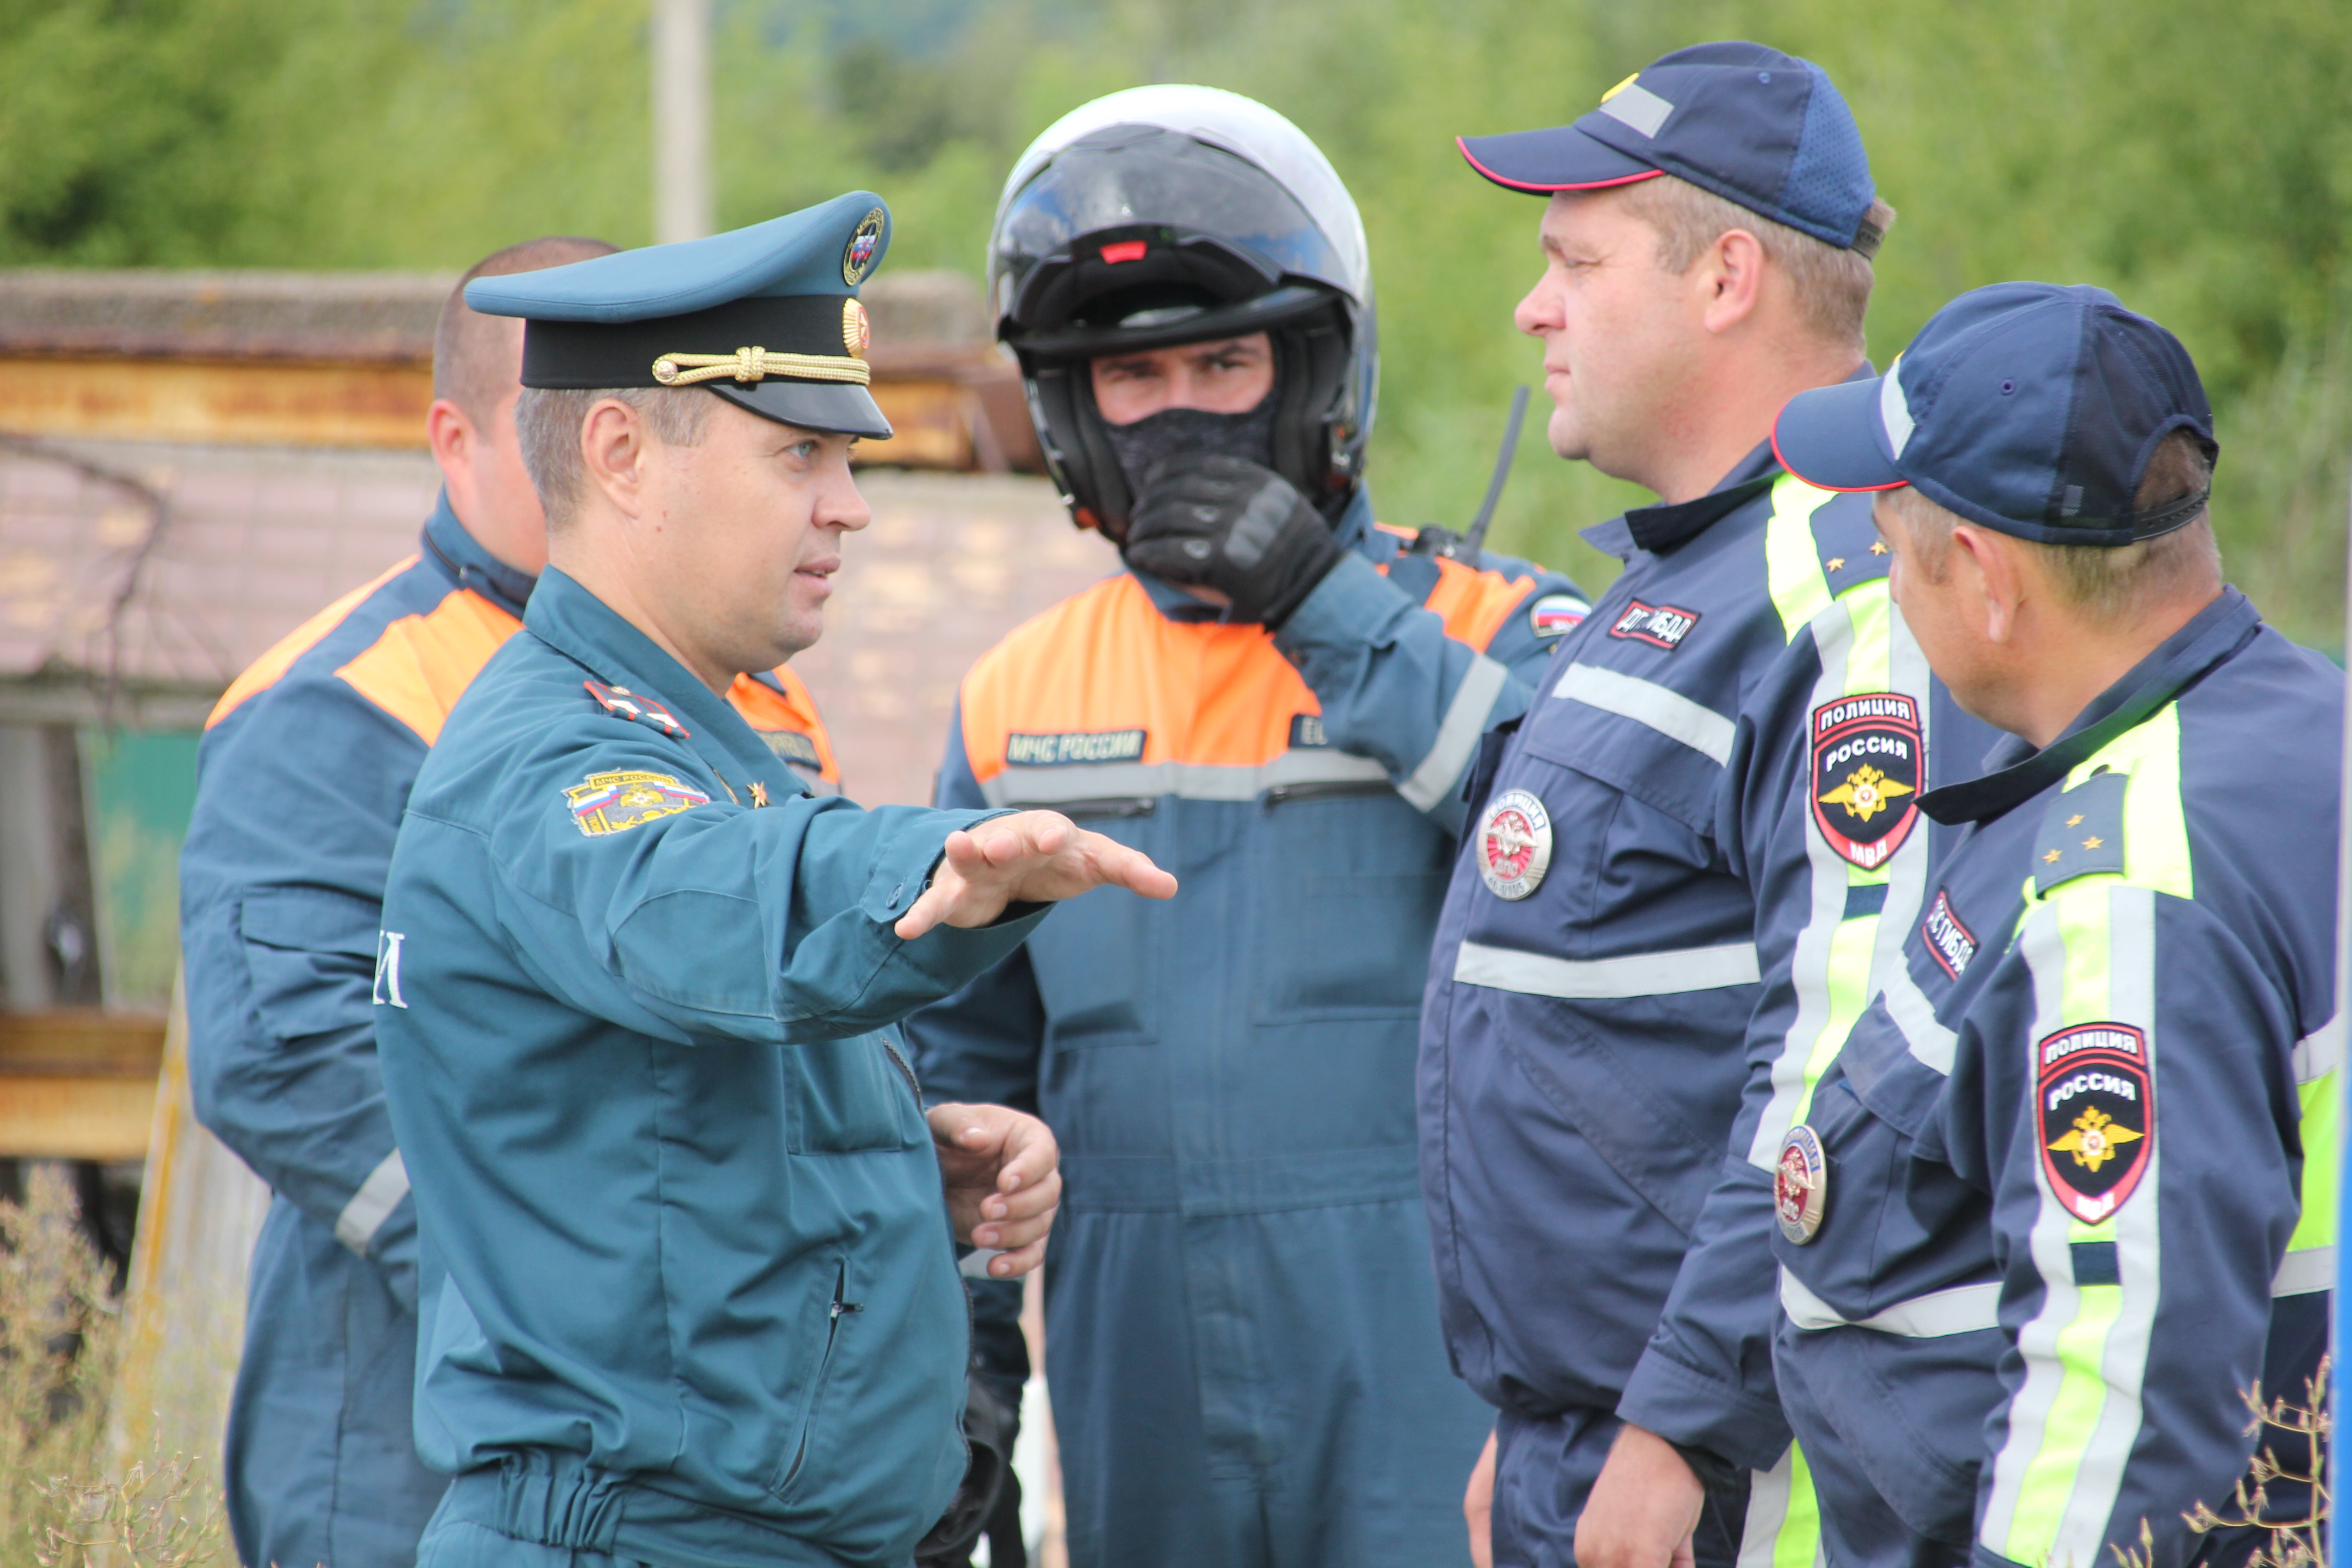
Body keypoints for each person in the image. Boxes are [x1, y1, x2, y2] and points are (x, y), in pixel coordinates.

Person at [1132, 44, 2004, 1568]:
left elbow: (1844, 1062)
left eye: (1574, 262)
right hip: (1590, 1444)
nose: (1536, 307)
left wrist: (1676, 1428)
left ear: (1727, 275)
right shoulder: (1683, 576)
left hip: (1732, 1472)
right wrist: (1546, 1426)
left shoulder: (1846, 595)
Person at [372, 193, 1176, 1568]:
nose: (850, 506)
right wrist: (936, 862)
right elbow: (708, 908)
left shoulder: (713, 744)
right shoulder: (553, 761)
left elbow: (656, 1151)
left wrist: (893, 1171)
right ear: (621, 452)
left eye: (845, 457)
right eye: (799, 452)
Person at [904, 85, 1582, 1568]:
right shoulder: (1017, 699)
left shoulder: (1504, 632)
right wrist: (955, 1403)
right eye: (1133, 379)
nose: (1183, 412)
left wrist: (1320, 608)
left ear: (1316, 371)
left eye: (1226, 359)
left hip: (1437, 1387)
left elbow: (1588, 864)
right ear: (1073, 408)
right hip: (1139, 1390)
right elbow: (962, 1094)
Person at [180, 232, 846, 1568]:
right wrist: (551, 1289)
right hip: (408, 1443)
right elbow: (281, 1054)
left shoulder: (757, 711)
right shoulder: (349, 692)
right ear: (456, 439)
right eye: (542, 433)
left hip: (693, 1453)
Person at [1762, 281, 2338, 1568]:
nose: (1884, 577)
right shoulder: (2307, 727)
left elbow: (2117, 1415)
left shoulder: (2123, 895)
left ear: (1983, 574)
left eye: (1894, 536)